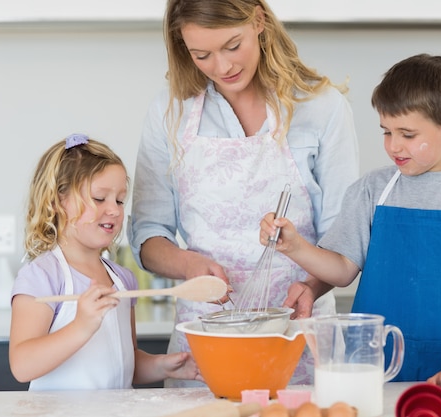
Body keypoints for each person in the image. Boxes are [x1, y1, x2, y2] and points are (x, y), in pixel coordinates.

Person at [128, 0, 359, 387]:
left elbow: (345, 242)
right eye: (202, 54)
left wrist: (312, 286)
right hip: (205, 346)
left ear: (258, 20)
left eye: (232, 46)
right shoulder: (170, 111)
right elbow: (148, 236)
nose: (222, 67)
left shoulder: (322, 108)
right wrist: (187, 265)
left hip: (300, 339)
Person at [260, 54, 441, 395]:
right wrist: (295, 247)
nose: (393, 145)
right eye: (386, 131)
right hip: (370, 370)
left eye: (408, 134)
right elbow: (341, 270)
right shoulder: (371, 191)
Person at [9, 134, 201, 390]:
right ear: (56, 201)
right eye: (100, 198)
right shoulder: (42, 277)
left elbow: (124, 363)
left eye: (120, 200)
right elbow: (22, 365)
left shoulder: (122, 280)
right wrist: (81, 326)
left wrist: (162, 366)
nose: (114, 210)